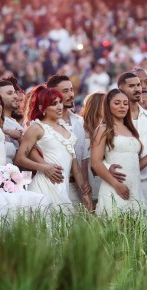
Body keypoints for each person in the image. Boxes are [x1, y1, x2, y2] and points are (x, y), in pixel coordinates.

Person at [14, 85, 92, 212]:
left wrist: (84, 193)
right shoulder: (37, 128)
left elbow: (76, 168)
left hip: (63, 187)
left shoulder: (66, 128)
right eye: (53, 104)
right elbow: (20, 158)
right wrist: (45, 167)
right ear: (42, 108)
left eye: (60, 102)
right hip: (43, 186)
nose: (59, 106)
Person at [91, 89, 147, 216]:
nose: (122, 107)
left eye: (125, 103)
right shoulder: (103, 129)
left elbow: (137, 164)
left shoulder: (131, 130)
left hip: (134, 187)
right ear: (108, 105)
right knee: (116, 230)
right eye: (117, 103)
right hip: (114, 187)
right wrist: (116, 185)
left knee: (135, 232)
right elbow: (96, 163)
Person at [117, 71, 147, 210]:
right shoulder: (113, 120)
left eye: (138, 85)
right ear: (121, 89)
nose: (137, 88)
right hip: (121, 184)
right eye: (132, 86)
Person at [47, 74, 91, 209]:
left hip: (76, 187)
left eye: (71, 90)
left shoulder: (80, 121)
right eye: (65, 91)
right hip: (51, 186)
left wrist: (84, 188)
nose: (71, 94)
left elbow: (83, 158)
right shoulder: (42, 125)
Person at [81, 91, 105, 202]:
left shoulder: (110, 127)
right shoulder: (83, 130)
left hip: (106, 176)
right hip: (89, 177)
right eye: (105, 104)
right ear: (96, 106)